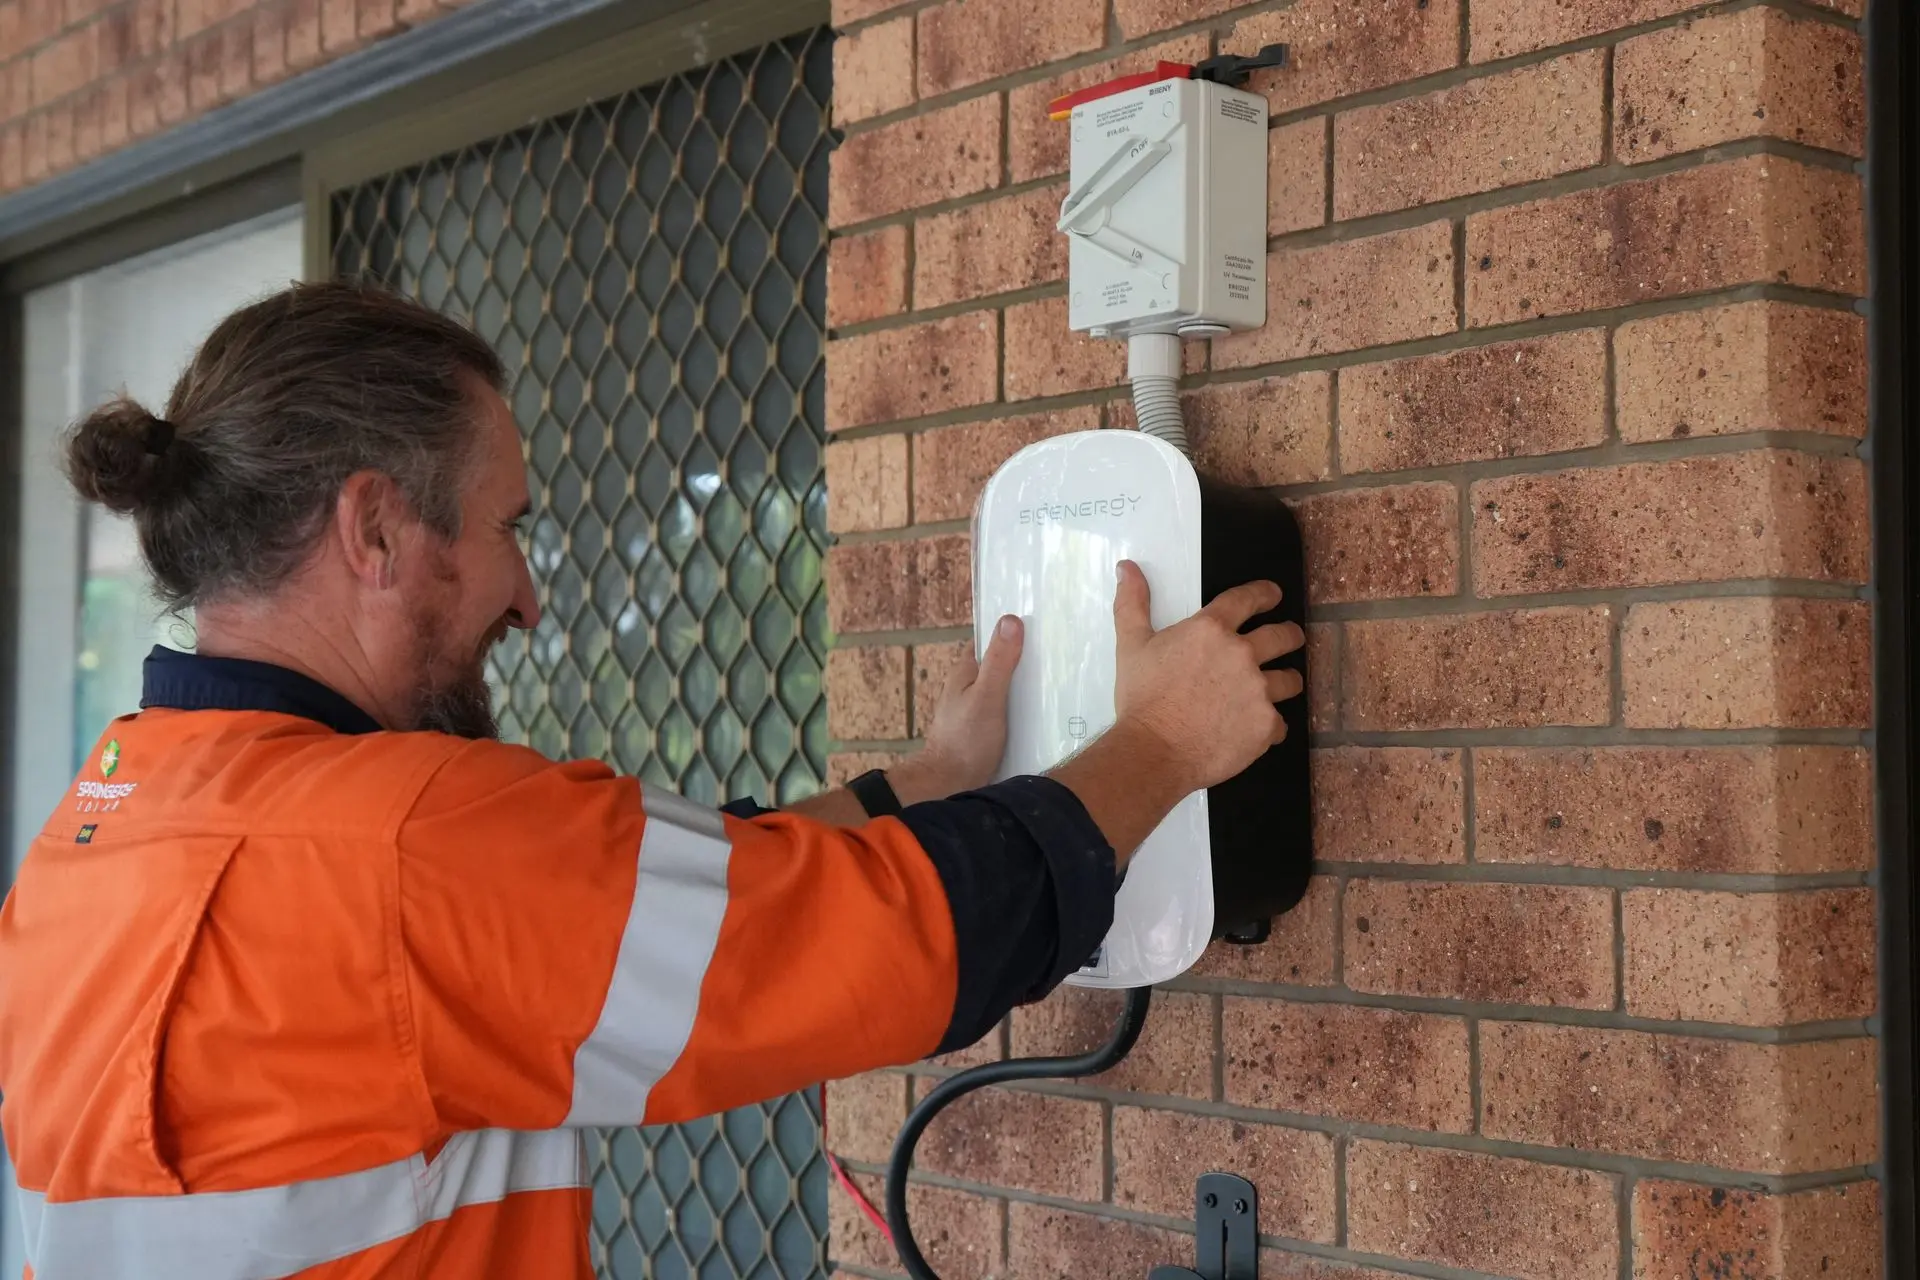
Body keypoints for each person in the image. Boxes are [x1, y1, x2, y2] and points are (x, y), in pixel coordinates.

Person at [0, 280, 1304, 1278]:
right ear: (376, 529)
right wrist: (1164, 747)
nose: (526, 595)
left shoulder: (92, 842)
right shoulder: (401, 841)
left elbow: (650, 906)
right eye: (510, 526)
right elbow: (883, 946)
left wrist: (921, 784)